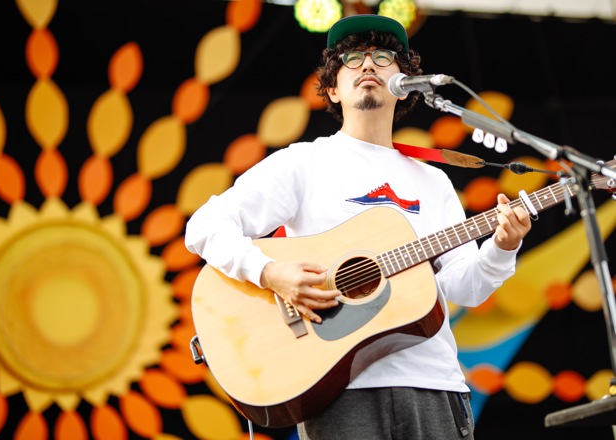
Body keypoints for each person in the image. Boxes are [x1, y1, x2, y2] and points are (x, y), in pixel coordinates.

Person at [185, 14, 531, 440]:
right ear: (332, 87)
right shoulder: (303, 163)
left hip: (434, 383)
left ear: (405, 83)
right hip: (337, 388)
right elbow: (204, 225)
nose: (368, 64)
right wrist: (270, 273)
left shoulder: (434, 180)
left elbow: (464, 288)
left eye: (383, 57)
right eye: (352, 58)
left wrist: (502, 246)